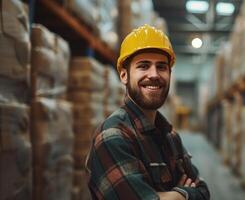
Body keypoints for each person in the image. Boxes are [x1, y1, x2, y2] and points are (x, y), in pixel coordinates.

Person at [85, 24, 210, 200]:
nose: (154, 75)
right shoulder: (112, 137)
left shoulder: (170, 136)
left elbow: (204, 191)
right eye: (143, 66)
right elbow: (196, 193)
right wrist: (185, 194)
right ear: (124, 75)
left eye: (161, 67)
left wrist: (168, 196)